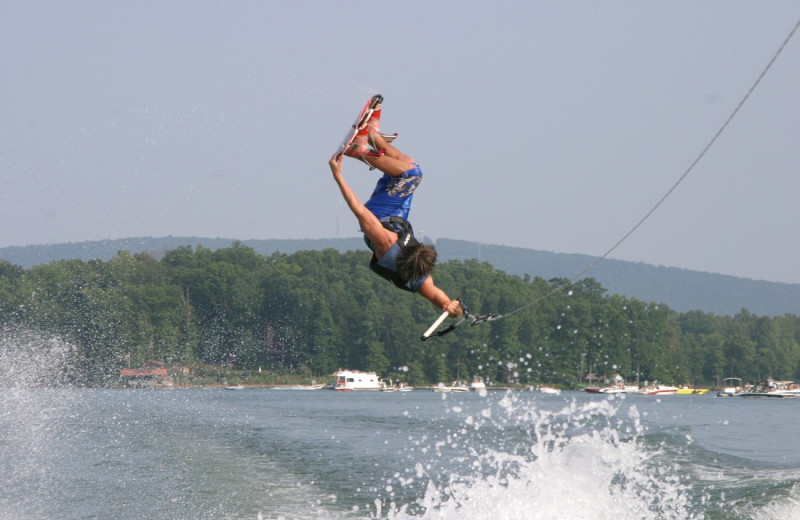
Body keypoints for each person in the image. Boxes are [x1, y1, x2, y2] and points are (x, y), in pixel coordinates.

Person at [328, 103, 462, 318]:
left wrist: (338, 176)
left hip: (379, 213)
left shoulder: (388, 243)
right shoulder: (419, 276)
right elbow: (439, 298)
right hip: (398, 215)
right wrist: (452, 308)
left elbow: (359, 211)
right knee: (407, 164)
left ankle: (358, 149)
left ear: (405, 251)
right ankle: (373, 136)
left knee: (411, 174)